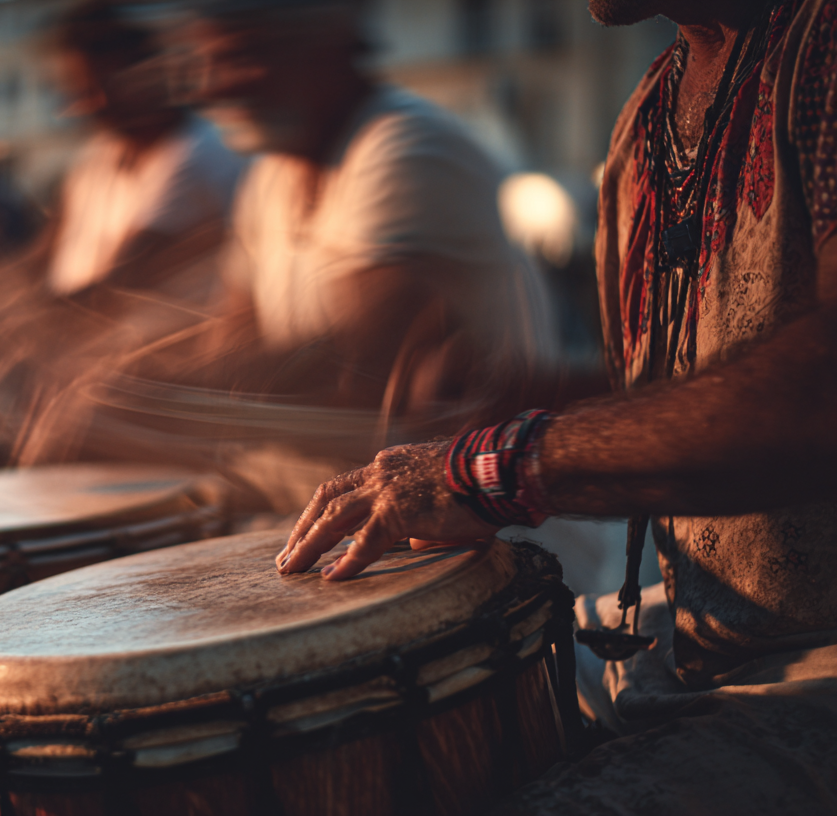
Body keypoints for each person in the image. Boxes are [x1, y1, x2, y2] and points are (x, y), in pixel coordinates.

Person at [278, 0, 837, 811]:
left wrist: (495, 467)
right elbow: (705, 390)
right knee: (357, 729)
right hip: (692, 642)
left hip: (817, 666)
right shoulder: (645, 117)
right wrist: (522, 392)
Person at [183, 0, 554, 411]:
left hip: (469, 466)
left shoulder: (409, 148)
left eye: (240, 56)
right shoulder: (270, 174)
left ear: (325, 51)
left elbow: (362, 371)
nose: (211, 86)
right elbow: (231, 342)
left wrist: (162, 390)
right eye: (206, 61)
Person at [44, 0, 244, 312]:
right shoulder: (97, 161)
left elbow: (117, 289)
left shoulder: (198, 154)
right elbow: (47, 263)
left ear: (151, 68)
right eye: (81, 91)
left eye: (105, 86)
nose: (93, 104)